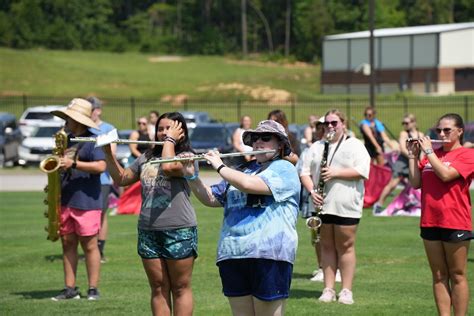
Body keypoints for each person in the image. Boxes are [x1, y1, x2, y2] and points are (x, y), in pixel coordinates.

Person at [181, 120, 300, 316]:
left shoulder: (284, 169)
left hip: (269, 255)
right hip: (233, 253)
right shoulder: (242, 170)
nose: (258, 142)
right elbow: (211, 198)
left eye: (265, 138)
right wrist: (192, 176)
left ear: (280, 144)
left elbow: (249, 185)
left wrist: (219, 165)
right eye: (255, 139)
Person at [102, 112, 197, 315]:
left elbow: (169, 167)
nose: (163, 133)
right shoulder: (146, 156)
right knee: (158, 288)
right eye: (160, 129)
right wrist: (108, 153)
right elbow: (122, 178)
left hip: (179, 228)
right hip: (148, 229)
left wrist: (170, 141)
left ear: (181, 131)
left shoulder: (188, 156)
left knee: (180, 287)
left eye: (168, 129)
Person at [300, 109, 370, 305]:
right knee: (326, 247)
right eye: (327, 123)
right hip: (322, 205)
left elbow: (362, 171)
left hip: (346, 204)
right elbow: (305, 172)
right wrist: (312, 190)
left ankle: (346, 290)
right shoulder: (316, 146)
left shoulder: (355, 145)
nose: (330, 126)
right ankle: (328, 289)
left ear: (343, 123)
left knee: (346, 246)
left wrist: (335, 172)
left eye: (334, 123)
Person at [408, 113, 473, 316]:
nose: (442, 134)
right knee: (438, 275)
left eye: (447, 130)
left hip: (455, 221)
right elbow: (415, 182)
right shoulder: (433, 154)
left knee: (458, 274)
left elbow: (445, 175)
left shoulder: (467, 155)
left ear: (460, 131)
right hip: (430, 220)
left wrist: (428, 151)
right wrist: (412, 155)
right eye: (439, 130)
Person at [50, 98, 106, 301]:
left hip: (87, 201)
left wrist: (73, 164)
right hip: (67, 198)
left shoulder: (94, 140)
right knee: (68, 244)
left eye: (69, 118)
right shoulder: (67, 139)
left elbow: (101, 166)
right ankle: (70, 288)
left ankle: (93, 289)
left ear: (79, 120)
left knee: (90, 245)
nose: (66, 121)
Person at [298, 116, 341, 283]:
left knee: (334, 235)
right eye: (320, 127)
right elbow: (302, 171)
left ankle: (335, 269)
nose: (323, 129)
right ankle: (322, 267)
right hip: (314, 197)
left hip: (333, 197)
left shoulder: (337, 147)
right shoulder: (312, 148)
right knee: (316, 236)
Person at [373, 113, 424, 214]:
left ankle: (418, 205)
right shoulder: (404, 134)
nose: (405, 125)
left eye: (407, 122)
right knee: (393, 184)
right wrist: (412, 157)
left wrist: (420, 161)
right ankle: (378, 205)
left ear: (414, 122)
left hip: (414, 162)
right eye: (403, 123)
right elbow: (402, 148)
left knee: (418, 185)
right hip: (403, 162)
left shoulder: (420, 135)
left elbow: (422, 151)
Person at [88, 96, 116, 263]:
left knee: (101, 215)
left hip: (103, 180)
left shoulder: (108, 128)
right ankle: (89, 249)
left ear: (98, 110)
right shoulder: (82, 128)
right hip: (84, 178)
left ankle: (100, 250)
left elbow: (112, 154)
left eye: (90, 110)